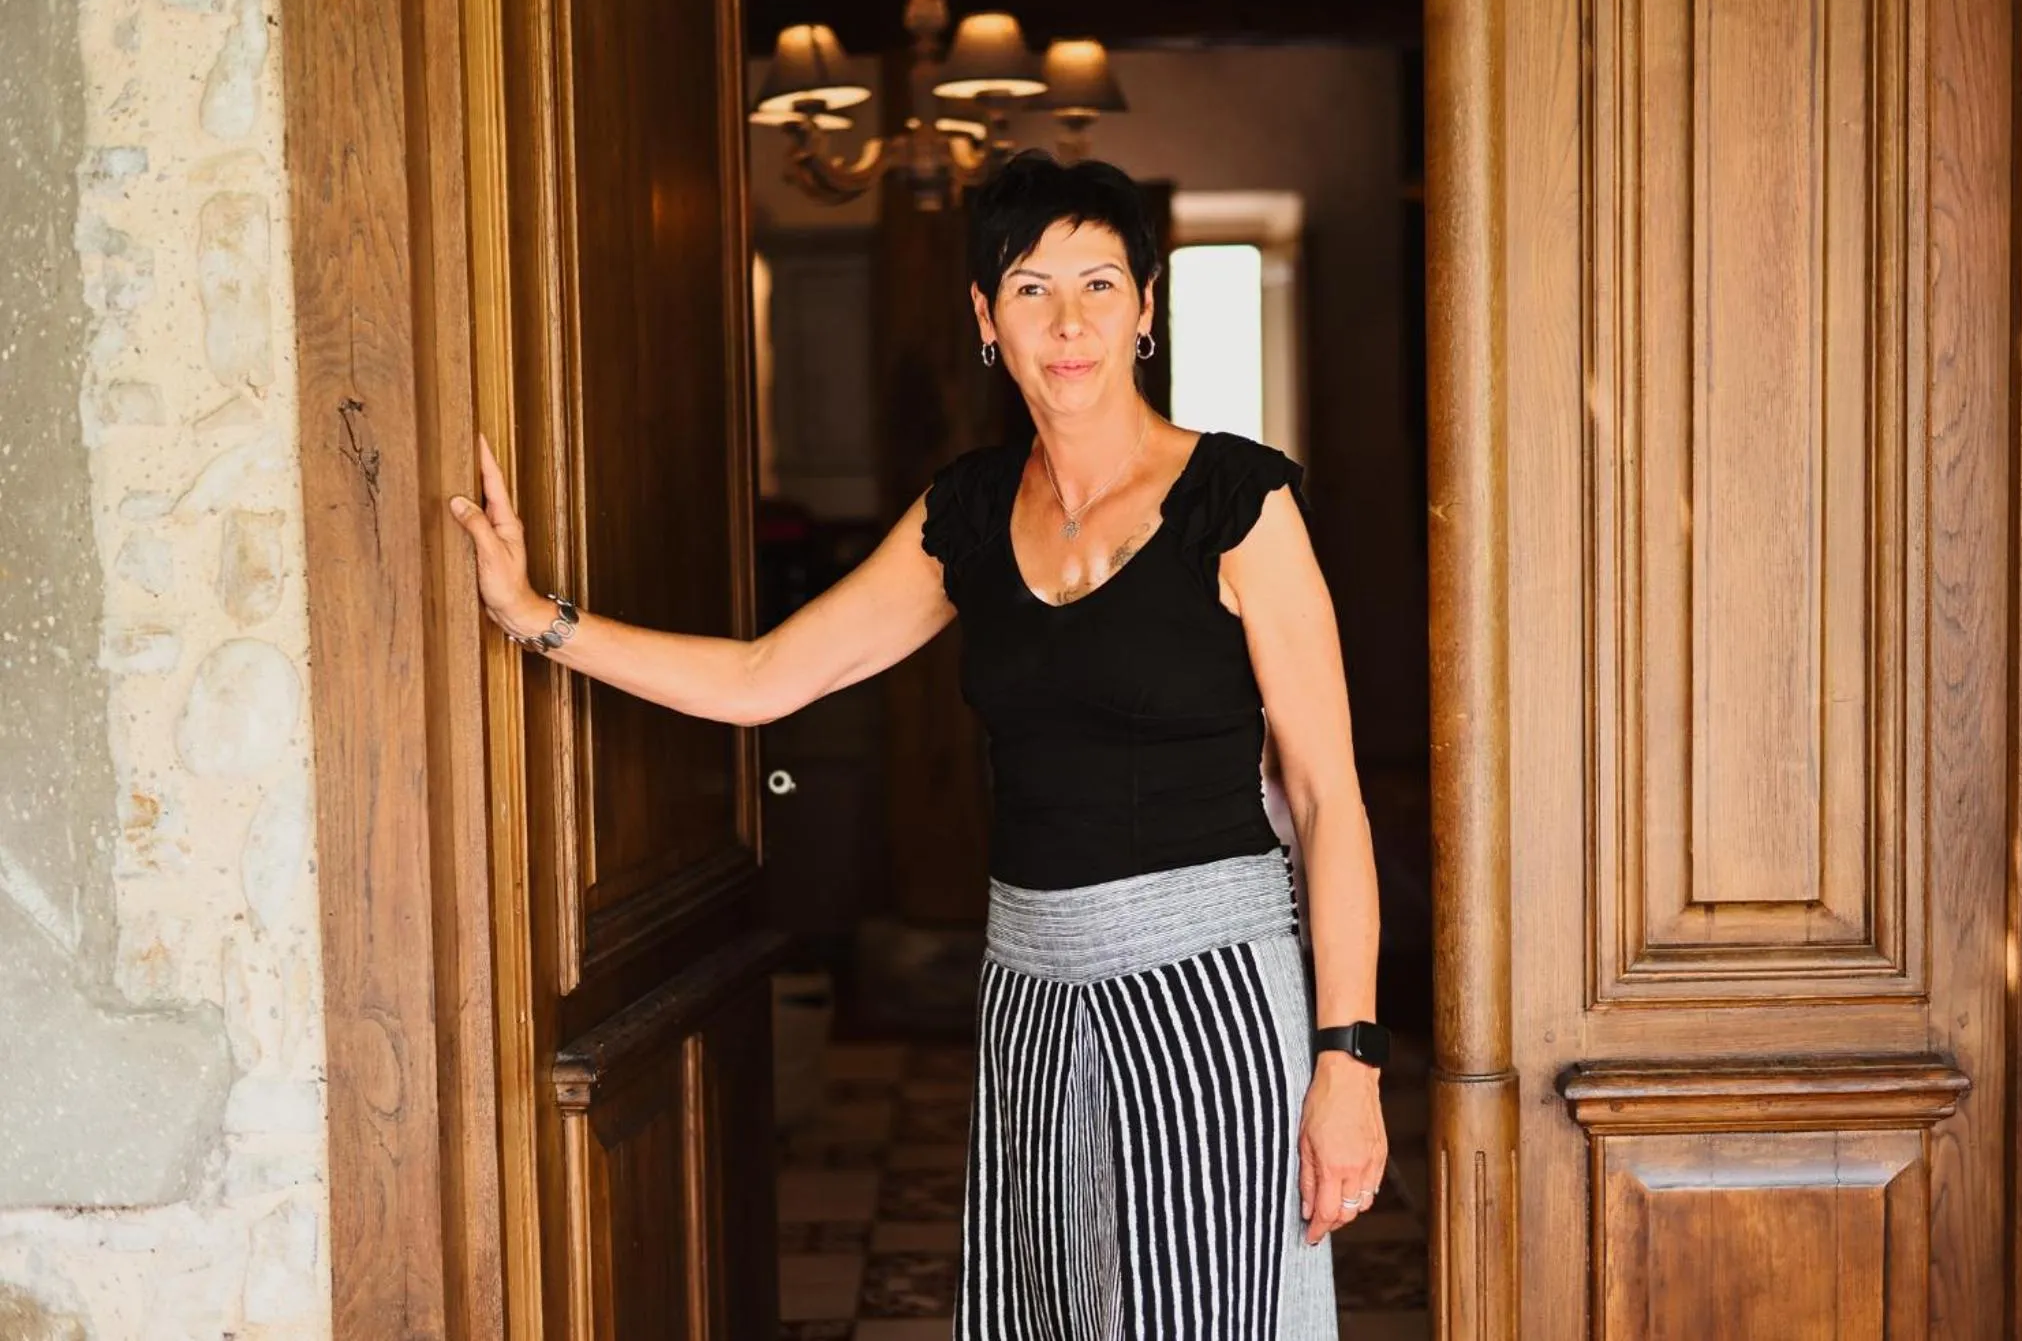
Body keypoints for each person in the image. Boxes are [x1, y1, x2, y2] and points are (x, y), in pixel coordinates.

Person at [450, 149, 1389, 1338]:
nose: (1068, 323)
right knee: (1046, 1316)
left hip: (1211, 991)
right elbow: (764, 678)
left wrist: (1346, 1060)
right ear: (985, 317)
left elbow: (1326, 798)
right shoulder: (967, 514)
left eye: (1099, 285)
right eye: (1031, 288)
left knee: (1211, 1314)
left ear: (1145, 307)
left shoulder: (1237, 503)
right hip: (1031, 994)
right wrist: (537, 619)